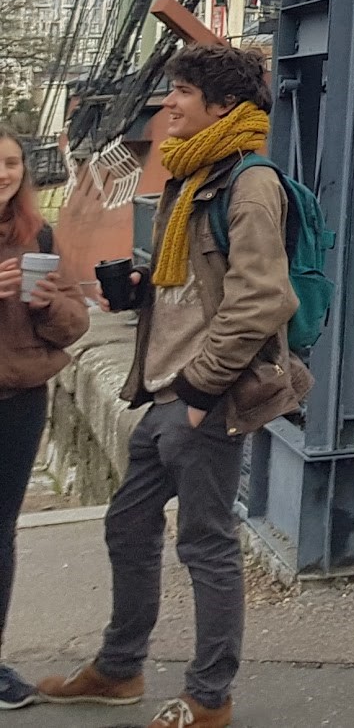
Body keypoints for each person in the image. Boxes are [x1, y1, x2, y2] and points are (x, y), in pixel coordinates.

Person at [42, 44, 309, 728]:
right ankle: (119, 668)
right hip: (164, 388)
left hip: (203, 396)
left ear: (223, 106)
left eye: (184, 92)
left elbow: (262, 299)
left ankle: (210, 696)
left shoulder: (250, 183)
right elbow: (194, 285)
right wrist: (139, 289)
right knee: (128, 523)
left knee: (206, 543)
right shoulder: (193, 173)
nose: (170, 105)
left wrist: (199, 392)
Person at [0, 129, 88, 707]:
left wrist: (48, 303)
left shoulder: (39, 235)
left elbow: (76, 323)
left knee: (0, 533)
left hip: (18, 404)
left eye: (11, 162)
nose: (3, 173)